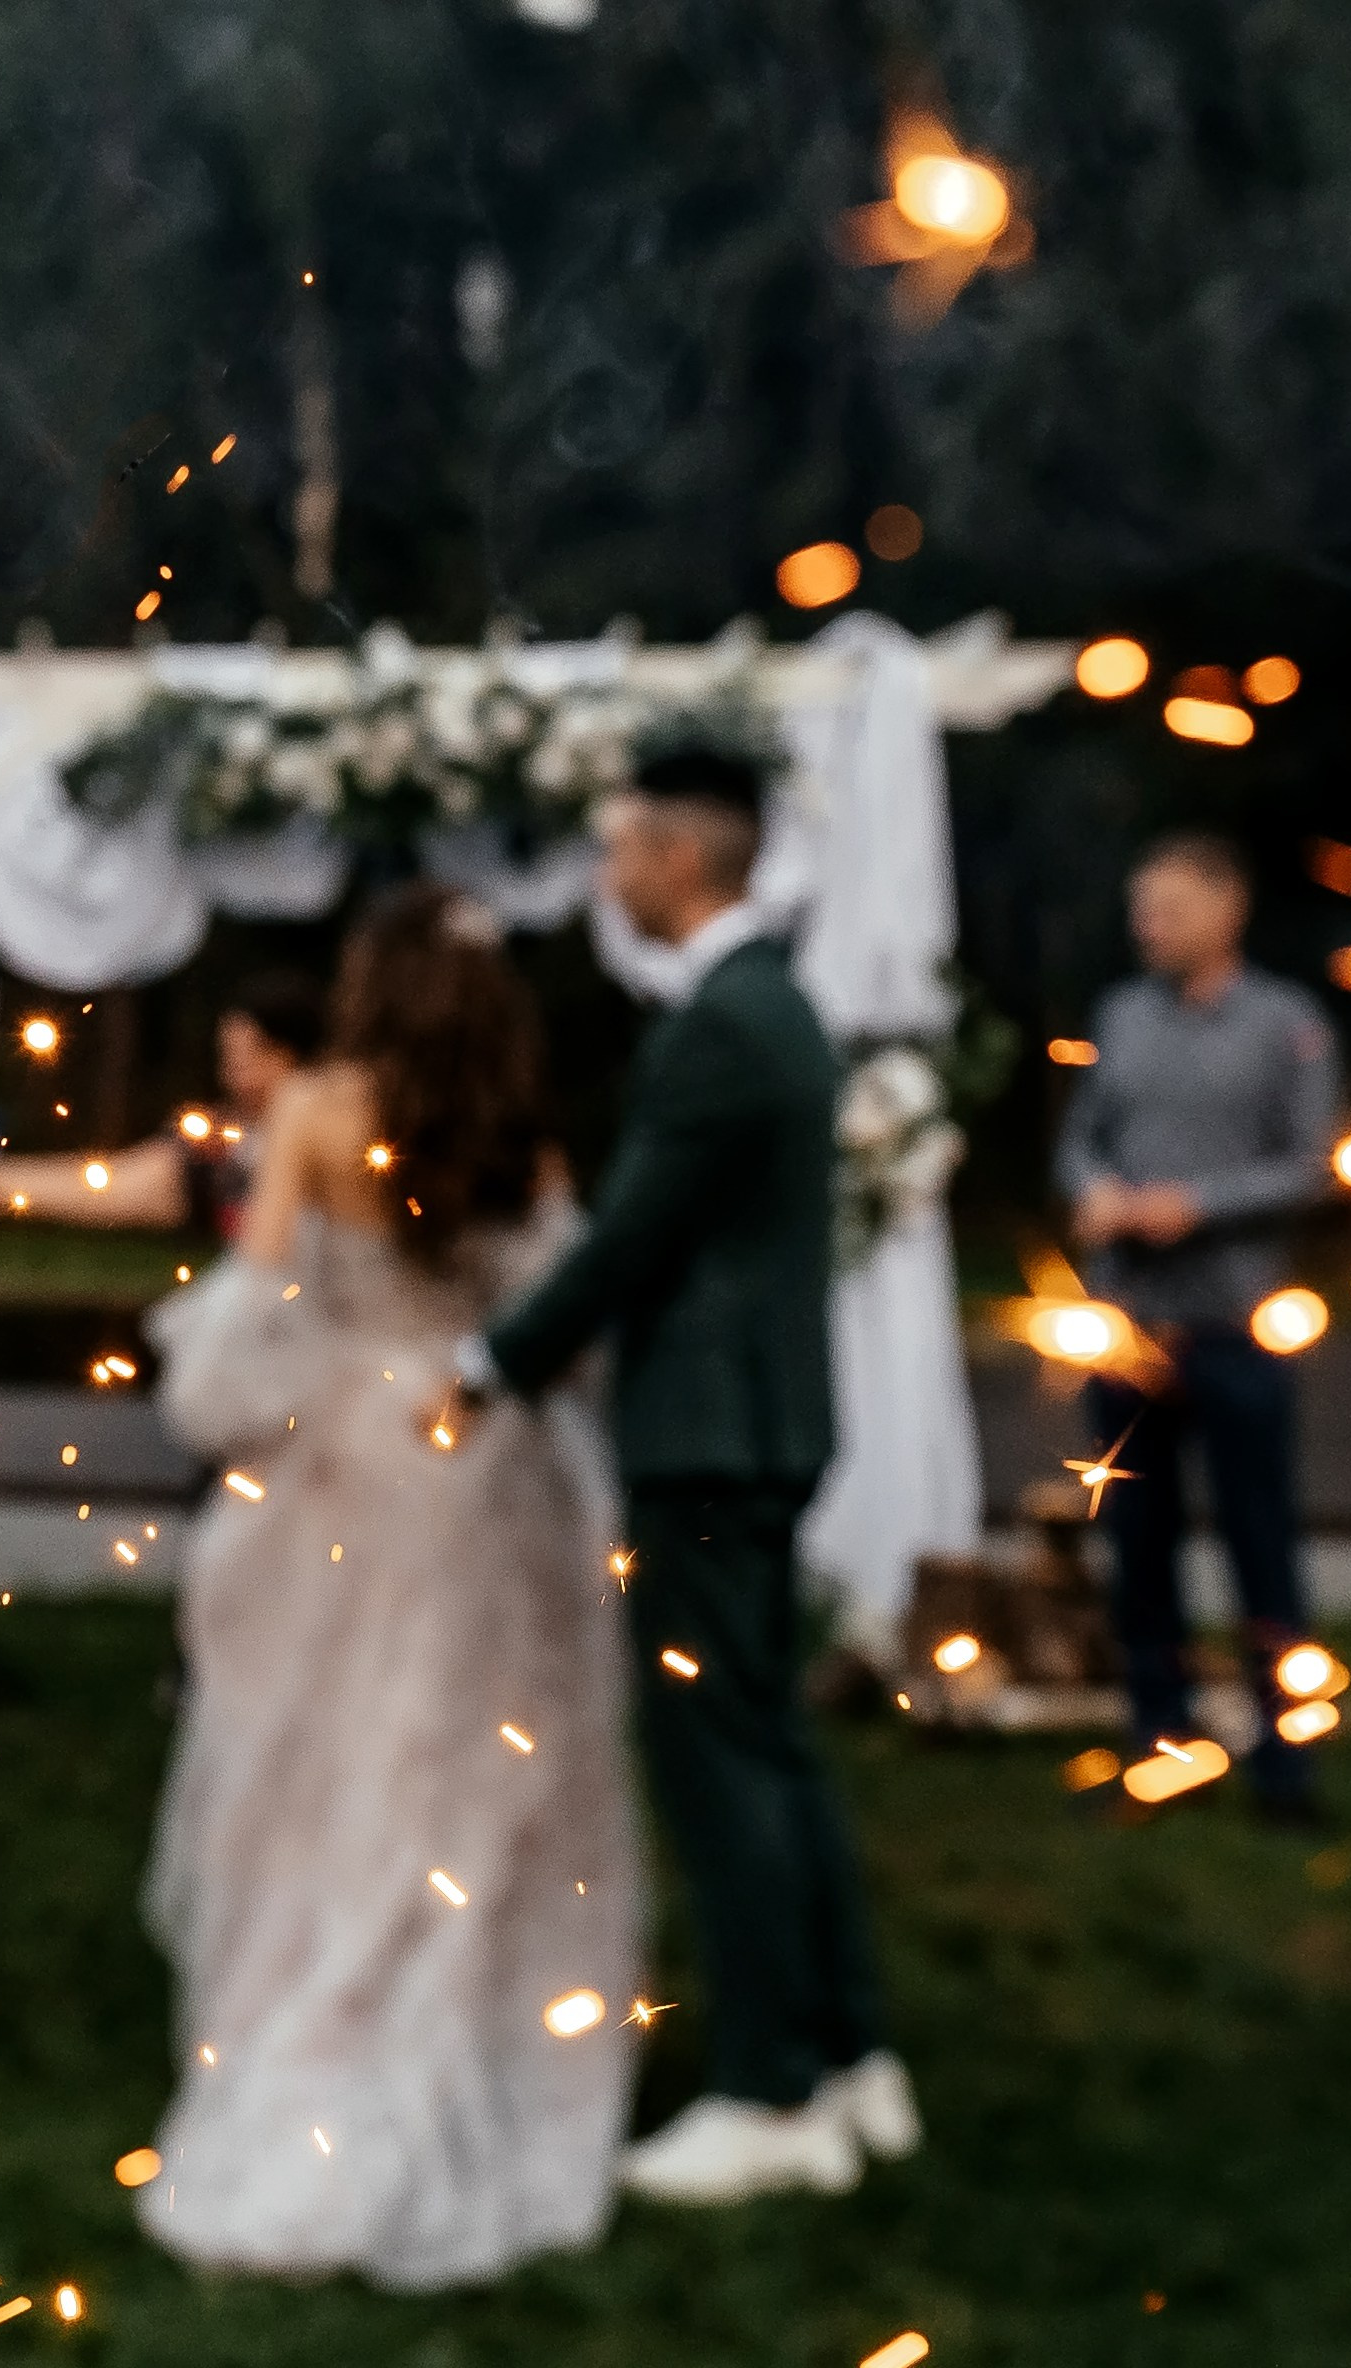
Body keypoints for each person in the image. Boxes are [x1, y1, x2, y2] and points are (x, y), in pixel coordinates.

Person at [137, 887, 639, 2290]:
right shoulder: (517, 1134)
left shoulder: (314, 1113)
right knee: (480, 1767)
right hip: (487, 1466)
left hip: (353, 1471)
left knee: (329, 1758)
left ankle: (315, 2044)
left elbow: (252, 1319)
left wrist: (237, 1401)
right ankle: (470, 2030)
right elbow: (566, 1313)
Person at [446, 744, 916, 2208]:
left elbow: (633, 1234)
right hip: (762, 1424)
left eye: (621, 847)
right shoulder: (767, 1004)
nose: (606, 875)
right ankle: (846, 2058)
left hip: (708, 1431)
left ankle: (770, 2091)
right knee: (769, 1741)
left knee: (718, 1759)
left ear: (683, 855)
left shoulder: (723, 1021)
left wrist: (489, 1366)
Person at [1055, 831, 1341, 1821]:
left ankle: (1283, 1761)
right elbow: (1080, 1134)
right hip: (1128, 1326)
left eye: (1167, 909)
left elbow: (1309, 1164)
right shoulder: (1120, 1015)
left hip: (1233, 1324)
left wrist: (1195, 1203)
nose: (1147, 926)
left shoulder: (1284, 1024)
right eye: (1141, 907)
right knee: (1137, 1538)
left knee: (1260, 1539)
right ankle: (1159, 1739)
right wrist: (1094, 1189)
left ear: (1227, 910)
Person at [0, 970, 323, 1236]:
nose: (230, 1075)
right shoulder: (218, 1139)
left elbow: (134, 1188)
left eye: (245, 1057)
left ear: (286, 1056)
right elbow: (116, 1184)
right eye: (226, 1057)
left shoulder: (312, 1139)